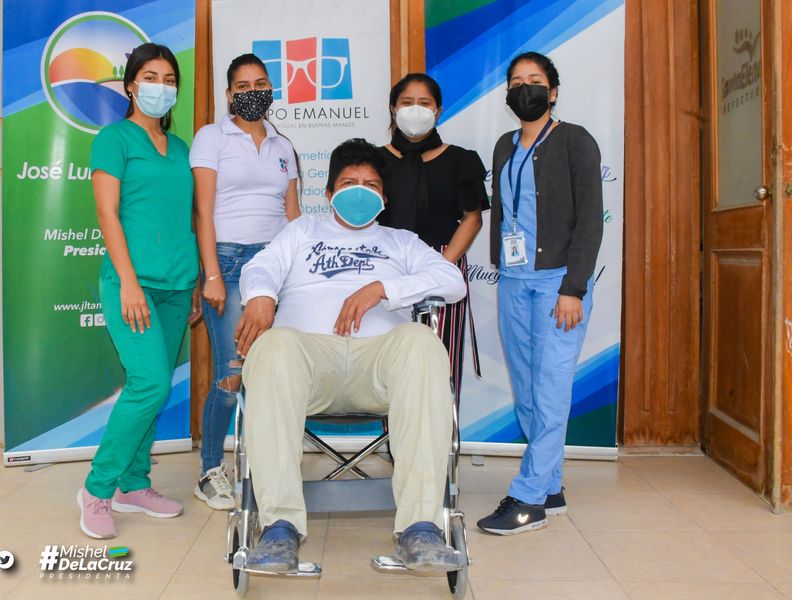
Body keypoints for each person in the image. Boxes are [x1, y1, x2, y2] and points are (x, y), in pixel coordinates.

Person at [234, 139, 468, 573]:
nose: (360, 191)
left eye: (371, 185)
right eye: (348, 183)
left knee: (422, 342)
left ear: (384, 198)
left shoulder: (401, 242)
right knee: (273, 345)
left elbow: (452, 281)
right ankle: (279, 529)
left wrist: (383, 289)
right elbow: (260, 267)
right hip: (309, 364)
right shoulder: (302, 231)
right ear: (328, 193)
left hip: (381, 366)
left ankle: (421, 529)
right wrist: (262, 295)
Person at [476, 52, 603, 535]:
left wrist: (574, 288)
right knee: (527, 388)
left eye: (534, 80)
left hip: (559, 283)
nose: (524, 88)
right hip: (514, 281)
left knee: (550, 387)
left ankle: (528, 499)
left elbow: (590, 220)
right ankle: (550, 486)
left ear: (552, 92)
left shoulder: (574, 140)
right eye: (515, 81)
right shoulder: (504, 146)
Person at [79, 43, 199, 539]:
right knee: (149, 383)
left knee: (153, 386)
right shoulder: (114, 139)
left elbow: (187, 216)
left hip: (178, 284)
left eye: (169, 80)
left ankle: (134, 483)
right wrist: (128, 281)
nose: (161, 87)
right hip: (132, 283)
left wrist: (195, 281)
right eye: (151, 77)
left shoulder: (183, 148)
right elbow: (107, 213)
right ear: (131, 85)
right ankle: (97, 488)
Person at [189, 54, 300, 510]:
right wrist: (212, 275)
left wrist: (299, 273)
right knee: (232, 373)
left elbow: (293, 215)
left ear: (271, 89)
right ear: (229, 94)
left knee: (272, 371)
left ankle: (265, 465)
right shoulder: (212, 137)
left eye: (261, 83)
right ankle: (210, 470)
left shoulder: (282, 145)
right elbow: (203, 212)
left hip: (275, 266)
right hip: (229, 264)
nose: (253, 91)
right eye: (243, 85)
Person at [378, 73, 488, 404]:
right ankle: (394, 432)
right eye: (407, 102)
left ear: (438, 111)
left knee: (441, 360)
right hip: (387, 268)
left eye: (424, 103)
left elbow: (472, 218)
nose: (415, 109)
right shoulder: (373, 161)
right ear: (393, 109)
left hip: (443, 261)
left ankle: (440, 433)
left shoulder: (461, 160)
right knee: (388, 360)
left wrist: (441, 265)